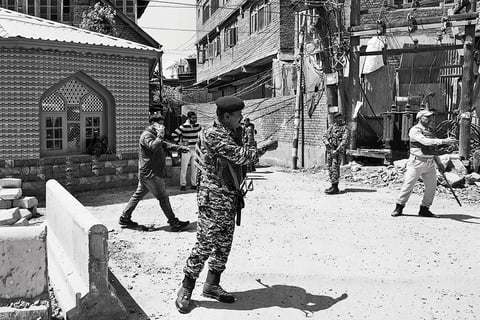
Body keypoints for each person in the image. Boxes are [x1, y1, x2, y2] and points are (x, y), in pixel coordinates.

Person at [175, 96, 278, 314]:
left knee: (223, 245)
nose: (242, 119)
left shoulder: (231, 132)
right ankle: (186, 289)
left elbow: (246, 161)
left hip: (229, 196)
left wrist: (247, 134)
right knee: (205, 244)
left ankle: (212, 284)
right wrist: (262, 144)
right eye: (238, 115)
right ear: (227, 116)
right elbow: (245, 157)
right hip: (213, 198)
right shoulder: (215, 135)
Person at [119, 112, 192, 232]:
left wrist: (180, 148)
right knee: (163, 197)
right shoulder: (147, 135)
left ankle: (124, 218)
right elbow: (153, 146)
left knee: (138, 195)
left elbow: (164, 145)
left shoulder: (153, 134)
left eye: (163, 124)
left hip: (148, 172)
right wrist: (160, 135)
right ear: (153, 124)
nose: (162, 126)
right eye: (160, 124)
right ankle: (174, 223)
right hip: (151, 173)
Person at [391, 109, 457, 218]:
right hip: (416, 162)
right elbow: (425, 142)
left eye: (431, 117)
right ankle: (399, 207)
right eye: (427, 117)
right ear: (420, 118)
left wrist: (439, 163)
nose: (430, 119)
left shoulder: (429, 131)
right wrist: (444, 141)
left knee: (431, 188)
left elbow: (432, 148)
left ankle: (424, 209)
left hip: (430, 163)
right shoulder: (415, 130)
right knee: (408, 185)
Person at [171, 111, 202, 191]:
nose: (195, 119)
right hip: (186, 149)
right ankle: (183, 184)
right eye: (193, 118)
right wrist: (180, 143)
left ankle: (194, 184)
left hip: (195, 149)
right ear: (189, 118)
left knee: (194, 167)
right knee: (184, 167)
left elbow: (201, 135)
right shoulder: (183, 127)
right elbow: (174, 134)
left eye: (195, 118)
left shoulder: (198, 126)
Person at [322, 113, 350, 194]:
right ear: (335, 119)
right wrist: (327, 142)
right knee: (330, 167)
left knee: (335, 168)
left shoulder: (345, 128)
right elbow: (324, 136)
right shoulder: (331, 127)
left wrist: (337, 151)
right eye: (338, 118)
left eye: (341, 118)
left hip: (337, 152)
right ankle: (332, 184)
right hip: (330, 151)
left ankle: (335, 187)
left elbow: (344, 141)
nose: (340, 119)